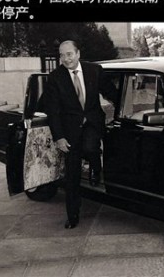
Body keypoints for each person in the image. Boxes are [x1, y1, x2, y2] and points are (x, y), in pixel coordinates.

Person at [44, 40, 117, 229]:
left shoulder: (94, 70)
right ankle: (73, 214)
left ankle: (95, 167)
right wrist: (59, 137)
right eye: (62, 55)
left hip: (93, 122)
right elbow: (53, 111)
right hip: (69, 132)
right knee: (72, 175)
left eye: (69, 54)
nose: (65, 59)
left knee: (91, 146)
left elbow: (112, 93)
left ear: (78, 54)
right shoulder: (55, 77)